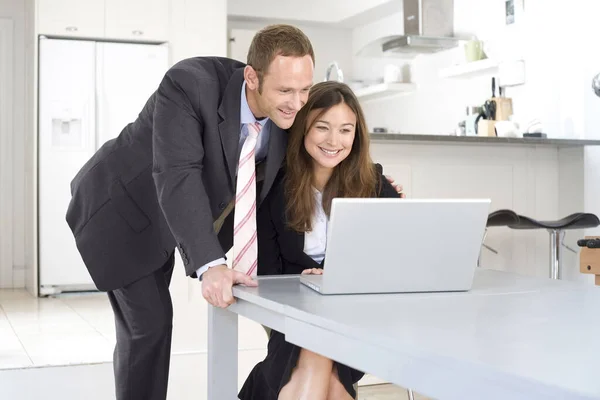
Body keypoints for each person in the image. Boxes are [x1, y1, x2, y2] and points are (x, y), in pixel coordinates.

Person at [238, 81, 401, 400]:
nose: (334, 140)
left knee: (318, 364)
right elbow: (268, 277)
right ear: (303, 129)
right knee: (331, 384)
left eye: (345, 130)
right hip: (293, 319)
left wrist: (340, 281)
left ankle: (264, 387)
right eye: (322, 127)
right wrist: (302, 282)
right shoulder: (272, 191)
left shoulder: (375, 186)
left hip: (353, 319)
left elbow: (395, 261)